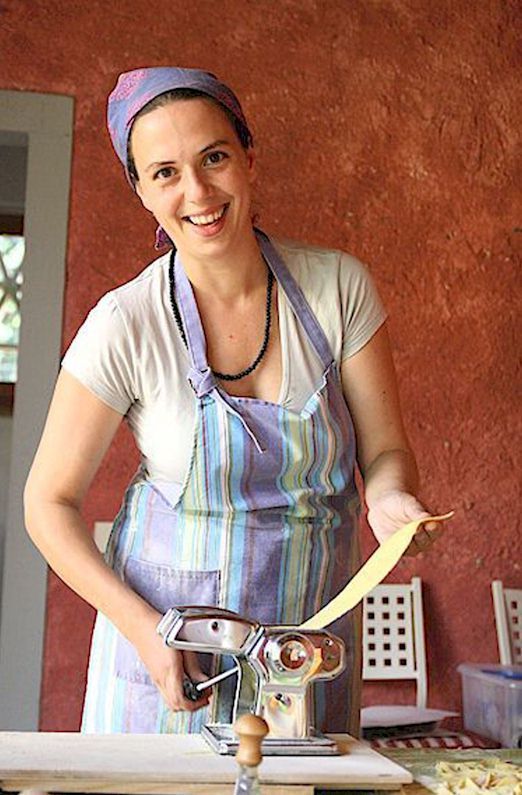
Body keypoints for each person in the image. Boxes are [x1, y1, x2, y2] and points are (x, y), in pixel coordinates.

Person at [24, 67, 443, 735]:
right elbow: (46, 502)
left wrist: (387, 499)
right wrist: (143, 627)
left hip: (304, 664)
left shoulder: (339, 289)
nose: (197, 192)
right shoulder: (125, 322)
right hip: (174, 666)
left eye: (214, 157)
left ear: (248, 158)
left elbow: (386, 450)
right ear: (140, 190)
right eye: (164, 172)